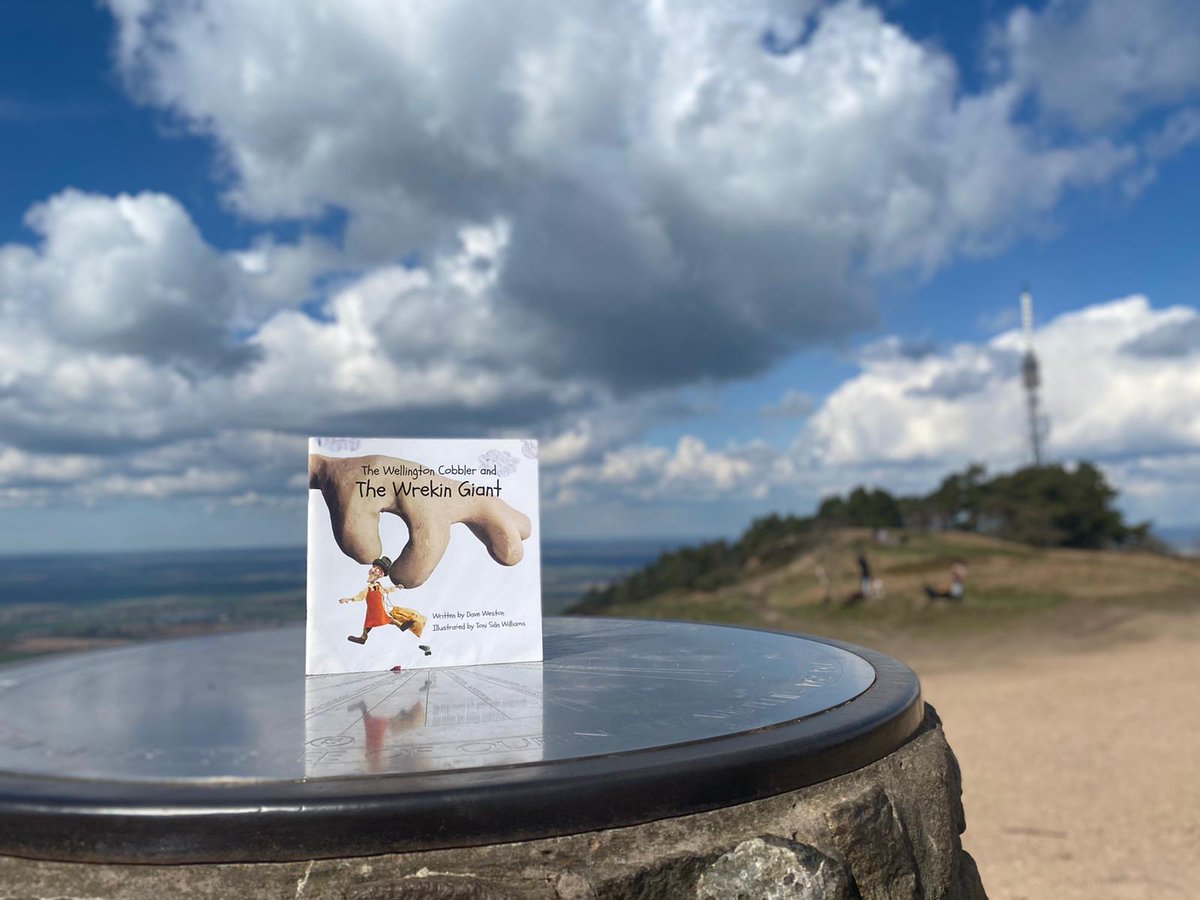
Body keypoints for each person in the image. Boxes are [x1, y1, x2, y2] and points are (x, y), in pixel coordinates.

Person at [341, 555, 430, 654]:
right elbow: (360, 596)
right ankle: (363, 638)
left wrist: (396, 587)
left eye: (377, 570)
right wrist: (349, 599)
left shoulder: (376, 586)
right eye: (374, 568)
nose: (374, 570)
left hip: (377, 608)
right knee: (368, 625)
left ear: (381, 574)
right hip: (371, 610)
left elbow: (385, 591)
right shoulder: (371, 587)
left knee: (387, 619)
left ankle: (400, 626)